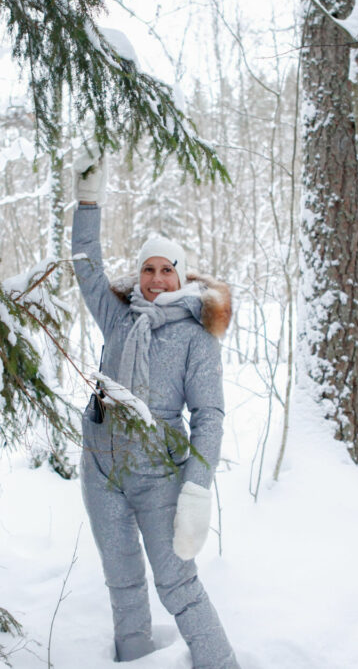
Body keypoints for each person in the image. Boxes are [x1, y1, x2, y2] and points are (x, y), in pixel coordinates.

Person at [71, 151, 240, 669]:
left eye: (168, 270)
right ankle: (134, 659)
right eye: (149, 268)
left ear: (182, 277)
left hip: (157, 478)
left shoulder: (195, 338)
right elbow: (86, 265)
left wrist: (196, 487)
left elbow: (209, 416)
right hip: (100, 469)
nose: (157, 278)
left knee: (178, 585)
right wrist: (88, 201)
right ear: (139, 274)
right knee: (122, 581)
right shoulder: (119, 318)